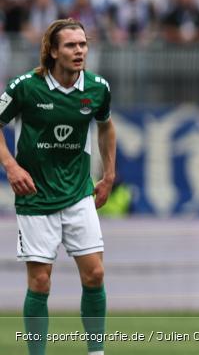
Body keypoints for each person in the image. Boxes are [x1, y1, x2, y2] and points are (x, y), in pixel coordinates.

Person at [0, 18, 116, 355]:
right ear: (52, 51)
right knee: (40, 282)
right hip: (36, 197)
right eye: (71, 45)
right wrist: (11, 165)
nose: (79, 51)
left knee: (95, 274)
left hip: (78, 194)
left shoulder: (97, 88)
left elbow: (106, 127)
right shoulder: (24, 87)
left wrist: (109, 175)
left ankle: (97, 352)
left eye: (83, 44)